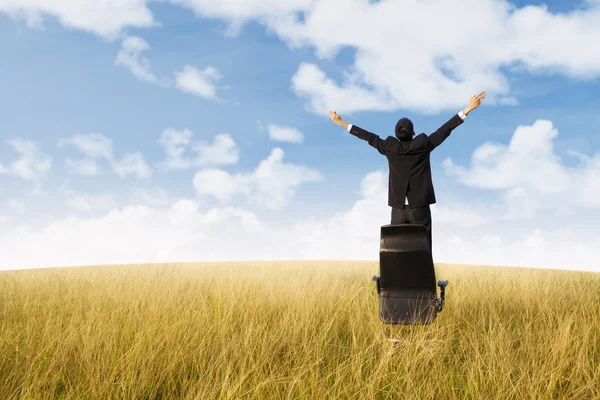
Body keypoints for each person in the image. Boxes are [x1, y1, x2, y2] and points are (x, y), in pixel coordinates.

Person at [328, 91, 486, 250]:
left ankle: (395, 275)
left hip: (398, 209)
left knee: (395, 249)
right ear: (413, 133)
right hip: (420, 208)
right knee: (423, 248)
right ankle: (423, 275)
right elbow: (445, 130)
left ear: (396, 135)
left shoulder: (389, 147)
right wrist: (467, 109)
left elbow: (367, 136)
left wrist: (342, 122)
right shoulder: (424, 144)